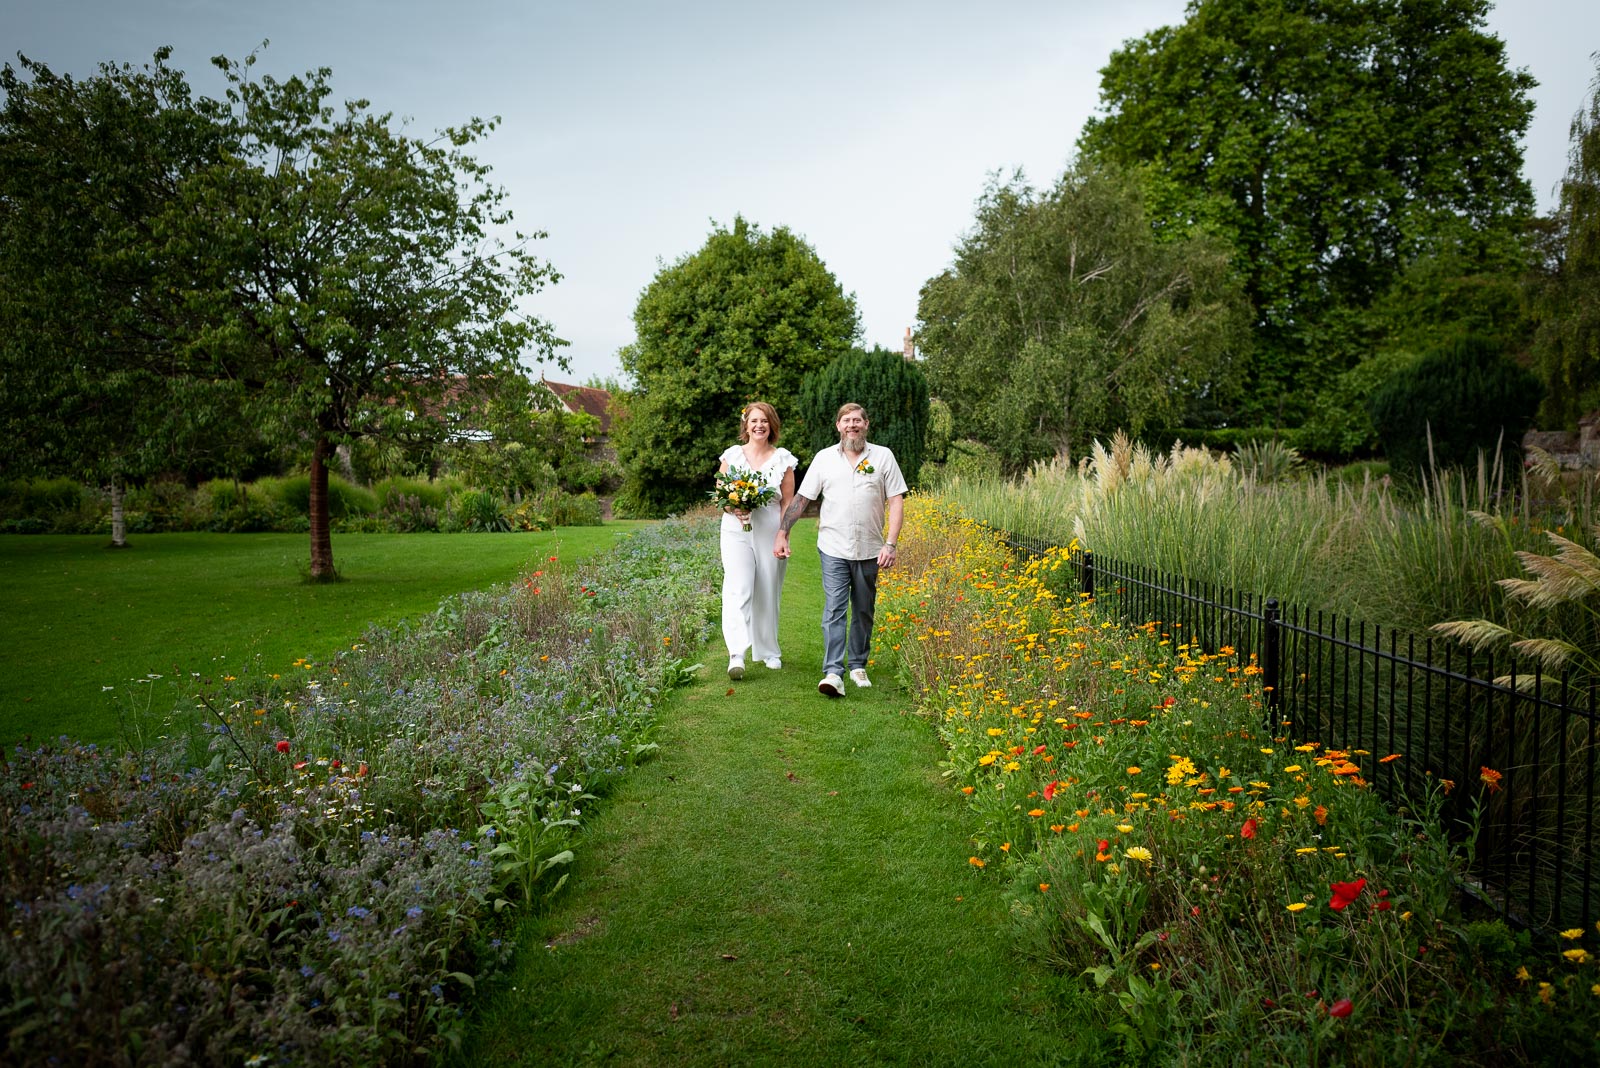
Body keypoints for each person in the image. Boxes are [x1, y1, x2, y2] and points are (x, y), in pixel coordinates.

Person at [773, 402, 906, 698]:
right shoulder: (824, 459)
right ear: (838, 426)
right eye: (846, 420)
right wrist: (783, 532)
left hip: (871, 548)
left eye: (857, 420)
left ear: (866, 425)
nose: (852, 425)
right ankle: (833, 671)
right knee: (834, 608)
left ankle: (858, 665)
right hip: (833, 546)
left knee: (863, 608)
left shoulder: (883, 457)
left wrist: (891, 543)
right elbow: (802, 499)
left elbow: (896, 500)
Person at [717, 401, 798, 680]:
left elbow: (789, 501)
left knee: (767, 588)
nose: (759, 425)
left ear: (771, 425)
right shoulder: (732, 456)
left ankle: (768, 651)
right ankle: (736, 653)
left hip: (770, 528)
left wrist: (782, 533)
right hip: (735, 529)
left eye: (764, 421)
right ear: (746, 425)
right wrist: (733, 507)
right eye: (754, 421)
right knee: (738, 587)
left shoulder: (783, 459)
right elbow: (722, 495)